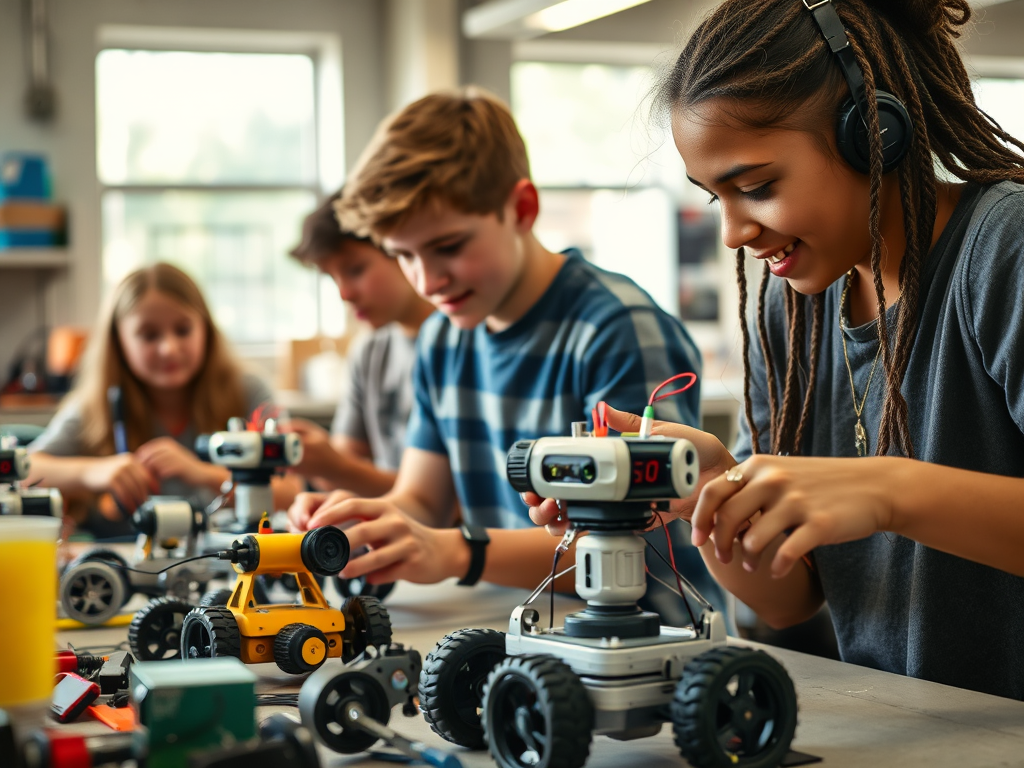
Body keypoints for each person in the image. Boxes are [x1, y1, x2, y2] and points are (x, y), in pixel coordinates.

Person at [529, 0, 1024, 700]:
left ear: (872, 134)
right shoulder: (789, 307)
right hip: (913, 724)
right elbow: (790, 601)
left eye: (756, 188)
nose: (734, 233)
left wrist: (887, 492)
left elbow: (885, 499)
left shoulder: (1005, 247)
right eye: (717, 198)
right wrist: (714, 491)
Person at [288, 87, 722, 617]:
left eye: (448, 247)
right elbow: (422, 501)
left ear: (521, 209)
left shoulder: (616, 330)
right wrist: (361, 521)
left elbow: (628, 542)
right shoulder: (442, 339)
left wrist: (456, 551)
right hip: (521, 625)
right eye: (404, 255)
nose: (428, 280)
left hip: (649, 635)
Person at [28, 262, 284, 536]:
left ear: (206, 329)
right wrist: (95, 472)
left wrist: (202, 473)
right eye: (149, 335)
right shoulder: (94, 406)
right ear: (118, 341)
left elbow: (291, 490)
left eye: (183, 330)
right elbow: (23, 471)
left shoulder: (248, 392)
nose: (168, 349)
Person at [284, 191, 434, 498]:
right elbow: (343, 469)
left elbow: (445, 501)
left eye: (355, 270)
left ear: (400, 250)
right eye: (332, 277)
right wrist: (320, 461)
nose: (344, 294)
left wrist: (337, 467)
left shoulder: (457, 346)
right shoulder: (369, 351)